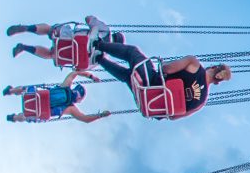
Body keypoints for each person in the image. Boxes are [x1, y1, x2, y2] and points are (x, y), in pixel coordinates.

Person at [90, 36, 231, 120]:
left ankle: (97, 44)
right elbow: (174, 117)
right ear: (217, 82)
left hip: (151, 83)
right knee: (129, 76)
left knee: (132, 53)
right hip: (149, 105)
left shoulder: (194, 64)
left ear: (213, 68)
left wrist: (164, 64)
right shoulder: (201, 102)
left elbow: (166, 69)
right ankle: (100, 59)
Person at [8, 17, 111, 73]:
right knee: (50, 55)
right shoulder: (102, 58)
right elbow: (80, 69)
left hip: (67, 37)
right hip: (65, 55)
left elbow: (88, 18)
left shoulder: (105, 31)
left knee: (50, 30)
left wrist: (92, 29)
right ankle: (24, 48)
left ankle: (26, 28)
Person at [4, 75, 110, 125]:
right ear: (79, 99)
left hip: (35, 97)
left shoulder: (65, 86)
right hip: (42, 112)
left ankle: (10, 91)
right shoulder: (71, 108)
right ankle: (14, 117)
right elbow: (85, 119)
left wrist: (91, 76)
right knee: (28, 116)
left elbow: (75, 73)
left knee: (25, 89)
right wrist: (100, 115)